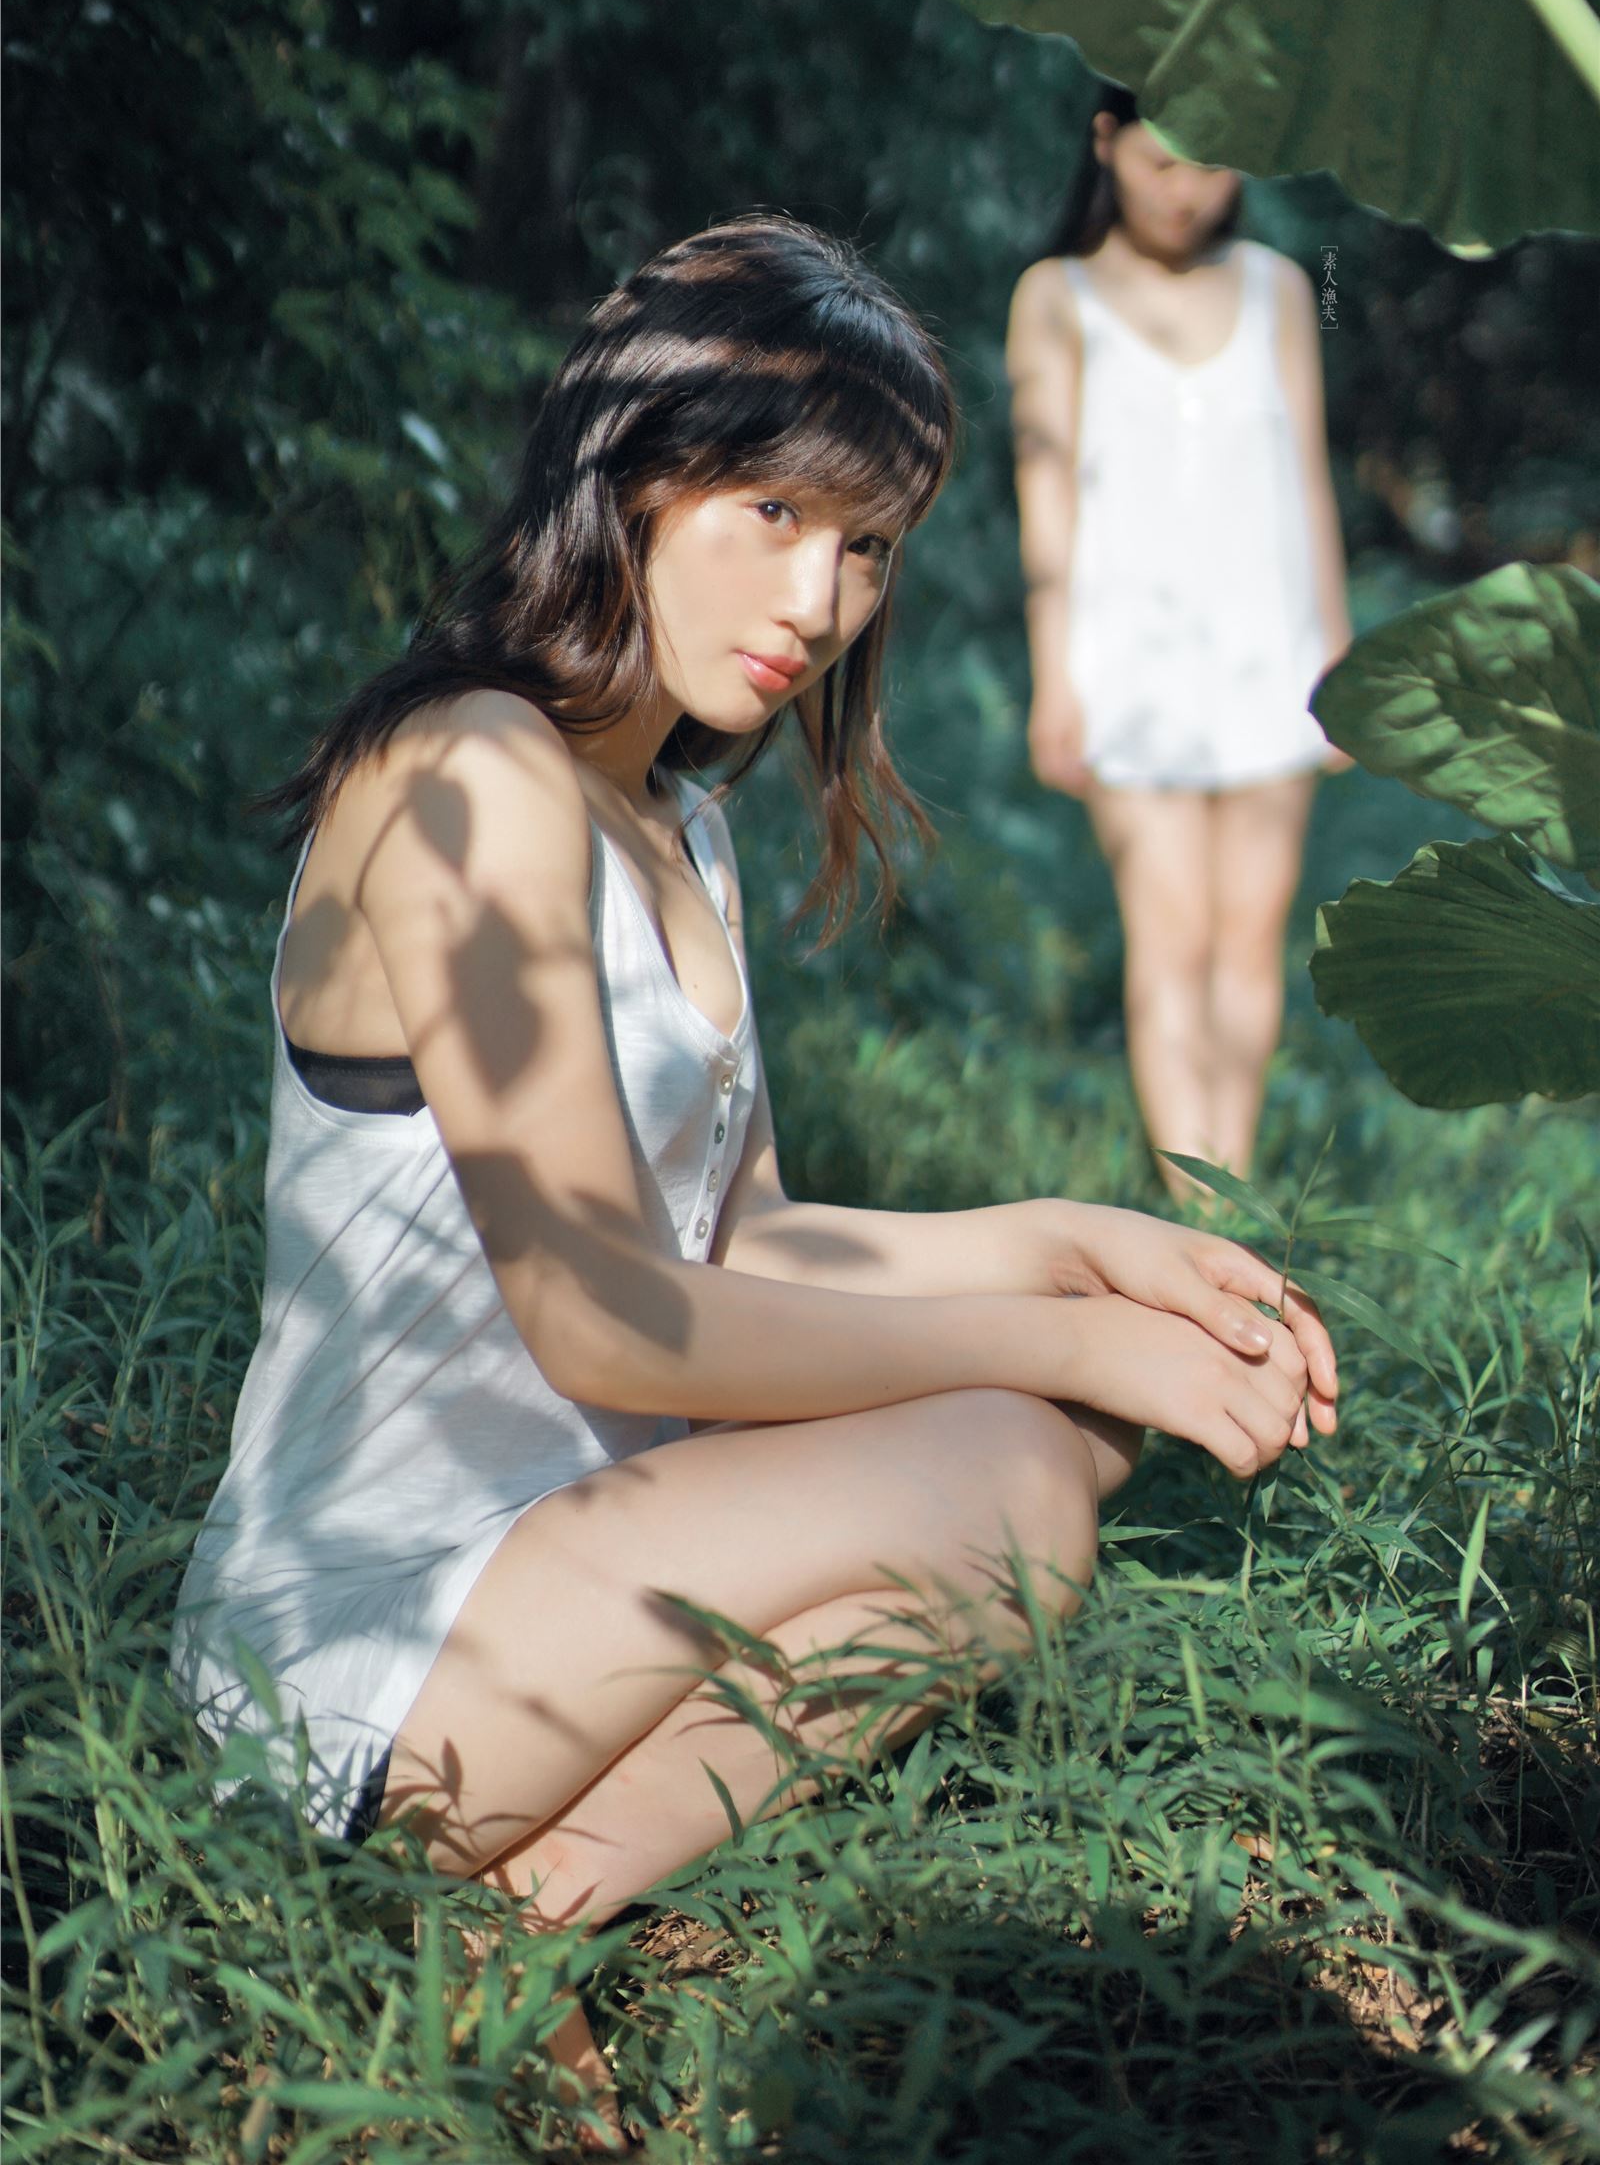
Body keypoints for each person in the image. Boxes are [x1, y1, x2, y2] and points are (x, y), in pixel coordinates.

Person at [171, 215, 1339, 2153]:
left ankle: (497, 1923)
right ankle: (483, 1914)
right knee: (1017, 1465)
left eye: (868, 543)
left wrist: (1088, 1252)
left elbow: (746, 1234)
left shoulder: (671, 825)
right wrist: (1059, 1339)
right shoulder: (468, 780)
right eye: (775, 510)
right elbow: (602, 1305)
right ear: (629, 469)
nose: (824, 592)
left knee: (1054, 1432)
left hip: (575, 1557)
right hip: (378, 1635)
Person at [1008, 85, 1356, 1203]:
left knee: (1252, 940)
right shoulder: (1052, 297)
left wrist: (1341, 658)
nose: (1185, 190)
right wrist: (1053, 675)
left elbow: (1307, 477)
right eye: (1162, 162)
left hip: (1269, 651)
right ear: (1105, 141)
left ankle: (1234, 1198)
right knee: (1168, 938)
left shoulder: (1280, 291)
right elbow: (1044, 498)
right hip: (1128, 662)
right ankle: (1194, 1212)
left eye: (1212, 166)